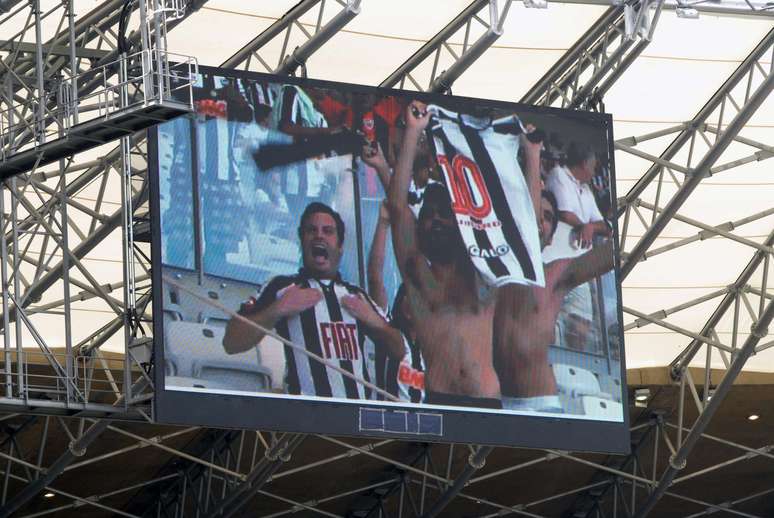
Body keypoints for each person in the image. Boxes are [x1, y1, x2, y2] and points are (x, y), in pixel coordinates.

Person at [222, 202, 404, 399]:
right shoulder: (281, 287)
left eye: (328, 231)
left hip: (353, 422)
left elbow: (400, 351)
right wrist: (277, 309)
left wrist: (375, 322)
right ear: (302, 240)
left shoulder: (357, 295)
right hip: (306, 421)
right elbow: (231, 342)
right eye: (311, 230)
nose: (319, 236)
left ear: (340, 246)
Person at [387, 101, 501, 409]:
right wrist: (413, 132)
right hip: (440, 401)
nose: (436, 220)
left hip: (488, 403)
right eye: (429, 214)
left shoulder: (484, 269)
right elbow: (398, 209)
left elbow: (520, 224)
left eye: (445, 214)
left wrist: (531, 158)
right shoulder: (418, 276)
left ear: (461, 222)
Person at [494, 188, 614, 412]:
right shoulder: (485, 274)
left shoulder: (555, 274)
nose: (539, 221)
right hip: (492, 403)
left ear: (550, 238)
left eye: (547, 217)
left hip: (541, 406)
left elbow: (612, 255)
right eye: (534, 213)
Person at [545, 142, 611, 351]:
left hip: (580, 268)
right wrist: (586, 225)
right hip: (555, 262)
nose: (594, 172)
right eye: (593, 167)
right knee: (551, 324)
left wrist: (590, 226)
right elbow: (563, 212)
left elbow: (605, 226)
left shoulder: (586, 190)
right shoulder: (558, 175)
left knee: (581, 326)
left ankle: (579, 371)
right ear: (583, 164)